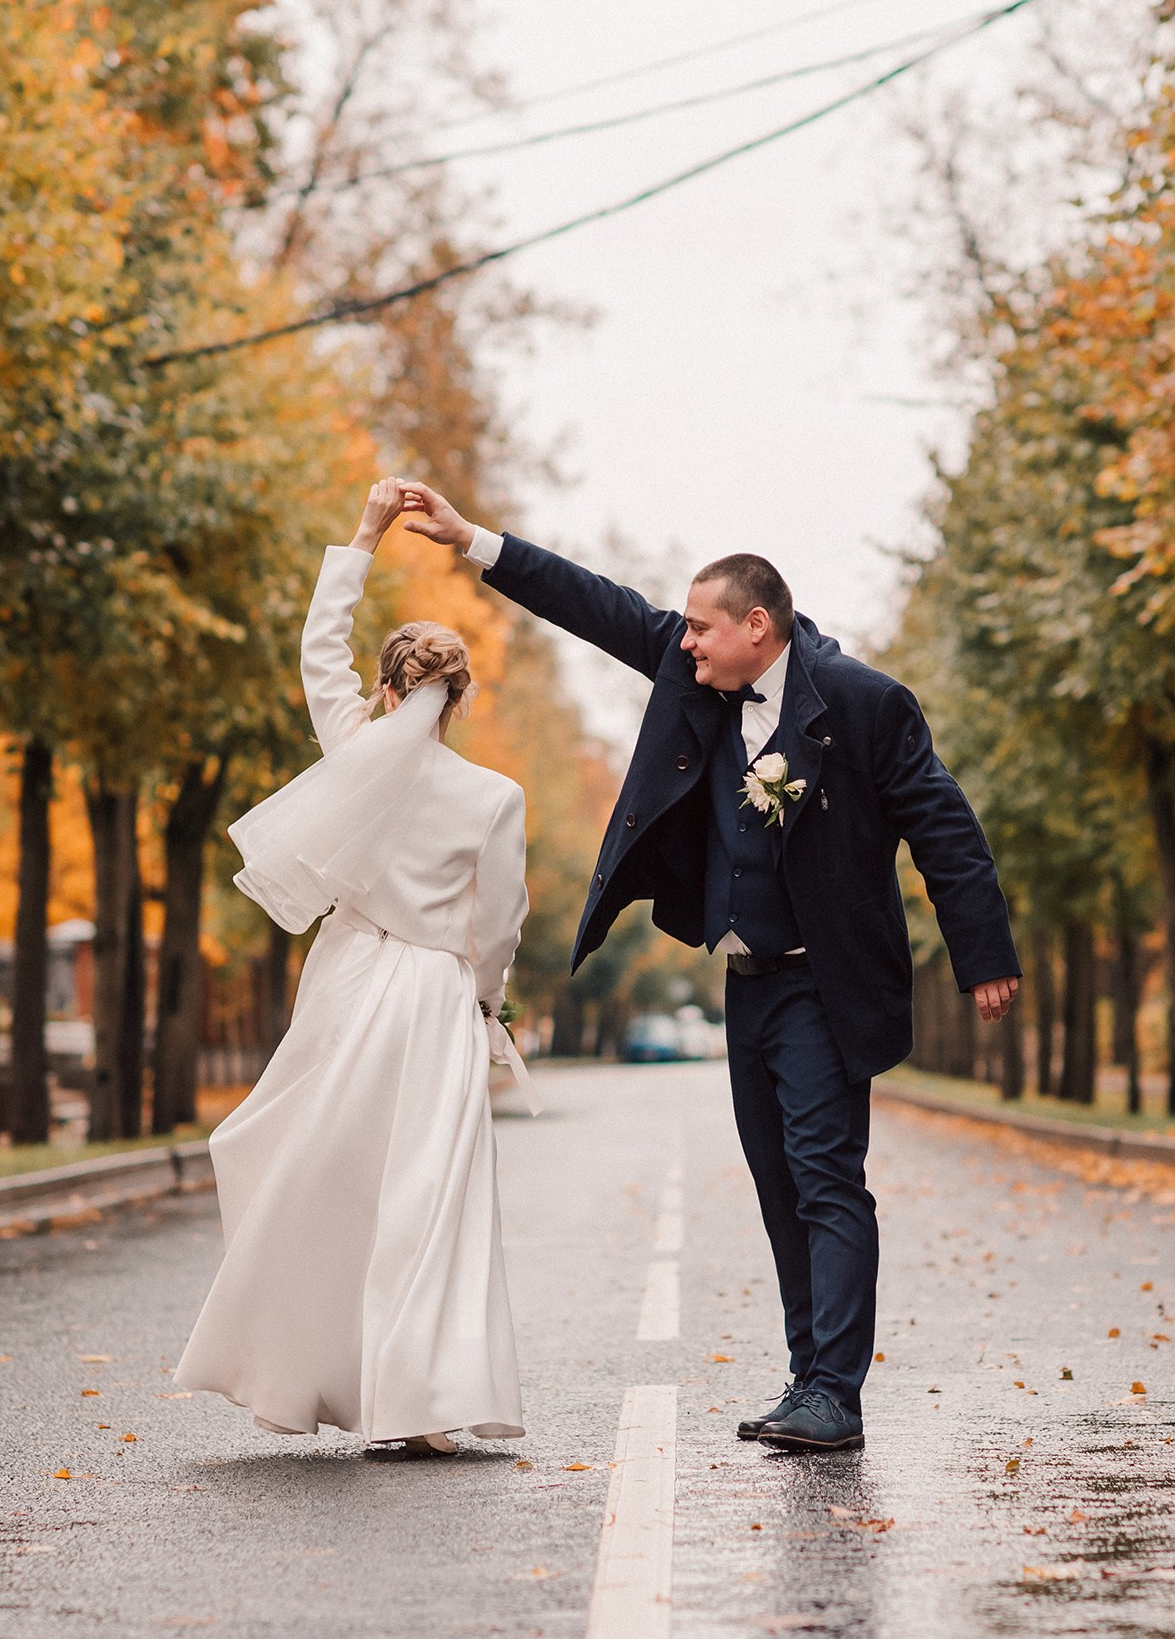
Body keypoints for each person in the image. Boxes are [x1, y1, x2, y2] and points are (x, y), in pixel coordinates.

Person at [396, 479, 1021, 1454]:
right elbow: (593, 601)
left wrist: (982, 951)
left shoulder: (860, 703)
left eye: (699, 627)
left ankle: (834, 1394)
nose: (682, 641)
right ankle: (808, 1374)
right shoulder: (695, 678)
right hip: (747, 983)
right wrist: (470, 539)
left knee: (826, 1178)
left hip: (824, 980)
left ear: (756, 626)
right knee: (778, 1182)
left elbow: (943, 821)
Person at [174, 479, 532, 1462]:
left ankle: (304, 1368)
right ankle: (413, 1398)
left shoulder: (350, 753)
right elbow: (496, 926)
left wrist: (365, 536)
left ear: (384, 691)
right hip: (429, 996)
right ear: (459, 696)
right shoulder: (493, 798)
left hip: (341, 985)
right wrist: (487, 1000)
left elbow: (313, 648)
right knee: (427, 1193)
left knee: (319, 1175)